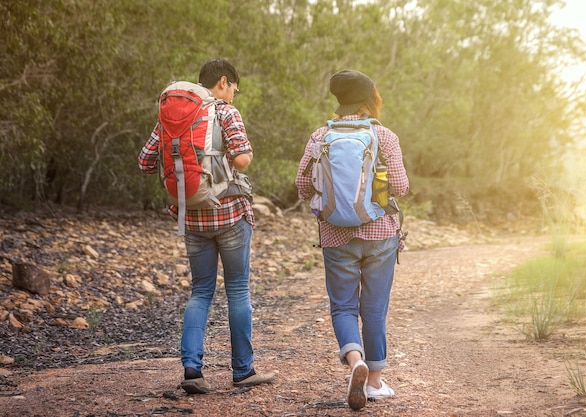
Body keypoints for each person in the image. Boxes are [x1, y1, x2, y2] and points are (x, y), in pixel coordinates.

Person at [138, 58, 275, 394]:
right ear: (223, 82)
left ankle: (192, 370)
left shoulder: (173, 116)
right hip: (229, 215)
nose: (234, 96)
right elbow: (242, 157)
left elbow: (144, 162)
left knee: (200, 292)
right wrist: (222, 159)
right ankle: (243, 370)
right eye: (234, 90)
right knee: (238, 290)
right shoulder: (225, 112)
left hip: (191, 216)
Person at [295, 69, 409, 411]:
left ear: (339, 101)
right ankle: (374, 381)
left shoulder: (319, 137)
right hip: (379, 235)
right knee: (374, 309)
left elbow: (302, 187)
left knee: (343, 306)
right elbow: (401, 188)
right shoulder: (384, 136)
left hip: (334, 235)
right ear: (369, 99)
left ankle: (355, 359)